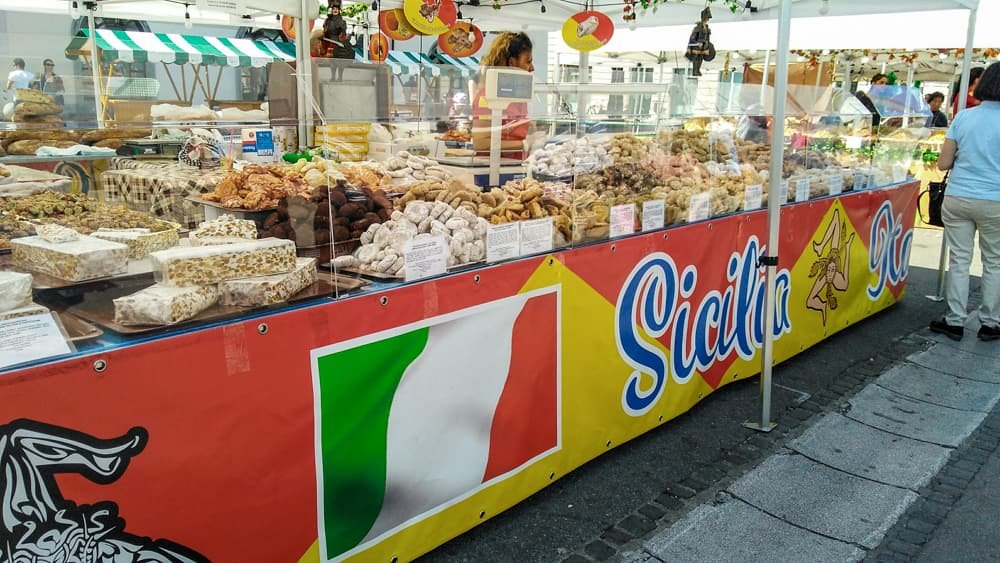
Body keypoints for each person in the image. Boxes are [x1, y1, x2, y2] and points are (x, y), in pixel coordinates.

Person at [930, 62, 1000, 342]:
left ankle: (955, 320)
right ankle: (991, 322)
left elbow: (944, 162)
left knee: (959, 259)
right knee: (994, 261)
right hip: (995, 200)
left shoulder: (963, 117)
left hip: (959, 196)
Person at [471, 31, 533, 158]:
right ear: (511, 63)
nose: (532, 68)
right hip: (492, 171)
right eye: (528, 61)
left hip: (515, 167)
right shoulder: (487, 96)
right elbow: (481, 143)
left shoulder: (517, 97)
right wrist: (524, 143)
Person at [685, 7, 715, 77]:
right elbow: (692, 37)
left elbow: (708, 37)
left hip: (704, 45)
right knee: (696, 57)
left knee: (701, 57)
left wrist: (708, 44)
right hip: (696, 45)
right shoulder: (697, 28)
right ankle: (695, 70)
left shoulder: (707, 27)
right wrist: (697, 42)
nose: (708, 19)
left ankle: (698, 70)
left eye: (708, 18)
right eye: (707, 17)